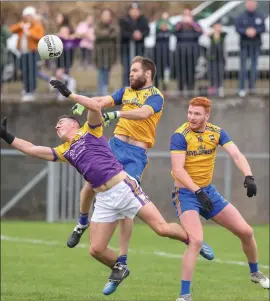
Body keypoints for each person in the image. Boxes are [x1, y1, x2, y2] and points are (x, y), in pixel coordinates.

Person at [1, 86, 201, 297]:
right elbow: (32, 149)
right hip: (104, 199)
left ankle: (193, 241)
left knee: (162, 229)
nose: (57, 126)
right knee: (95, 249)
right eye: (56, 125)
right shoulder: (63, 151)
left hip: (124, 188)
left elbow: (95, 105)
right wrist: (7, 136)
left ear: (74, 124)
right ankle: (119, 267)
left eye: (61, 122)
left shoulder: (91, 129)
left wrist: (70, 95)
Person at [59, 56, 214, 294]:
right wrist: (83, 102)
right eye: (130, 71)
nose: (130, 74)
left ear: (148, 74)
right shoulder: (126, 92)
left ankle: (122, 261)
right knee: (90, 186)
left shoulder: (155, 96)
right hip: (115, 146)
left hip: (135, 154)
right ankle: (81, 224)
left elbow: (143, 114)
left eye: (134, 71)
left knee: (126, 207)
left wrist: (115, 115)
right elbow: (102, 100)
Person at [170, 96, 269, 301]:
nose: (192, 117)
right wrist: (197, 191)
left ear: (207, 115)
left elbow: (236, 154)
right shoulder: (180, 135)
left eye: (197, 113)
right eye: (190, 112)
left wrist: (248, 176)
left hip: (208, 192)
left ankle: (255, 273)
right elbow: (178, 170)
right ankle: (184, 296)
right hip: (187, 194)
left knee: (247, 232)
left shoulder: (216, 132)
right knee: (196, 241)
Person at [9, 6, 45, 102]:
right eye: (26, 16)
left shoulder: (37, 25)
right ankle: (26, 89)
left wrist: (29, 33)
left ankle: (31, 90)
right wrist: (20, 26)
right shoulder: (22, 25)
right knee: (24, 72)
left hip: (32, 52)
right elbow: (11, 30)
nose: (27, 17)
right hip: (23, 52)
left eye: (29, 16)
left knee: (32, 72)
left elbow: (40, 37)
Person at [235, 0, 266, 98]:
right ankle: (241, 88)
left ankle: (252, 87)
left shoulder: (260, 15)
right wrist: (245, 31)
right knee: (243, 68)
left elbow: (263, 28)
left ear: (256, 5)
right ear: (246, 4)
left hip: (255, 45)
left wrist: (255, 31)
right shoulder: (241, 16)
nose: (251, 5)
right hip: (244, 45)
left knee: (254, 67)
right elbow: (237, 28)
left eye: (253, 3)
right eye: (249, 3)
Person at [119, 2, 150, 86]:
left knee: (139, 70)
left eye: (136, 10)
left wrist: (141, 34)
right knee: (127, 70)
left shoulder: (143, 20)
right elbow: (123, 33)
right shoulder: (124, 20)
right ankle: (126, 89)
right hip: (127, 50)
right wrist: (132, 35)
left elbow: (147, 31)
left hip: (139, 50)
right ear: (129, 11)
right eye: (133, 10)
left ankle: (138, 88)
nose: (135, 12)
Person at [173, 7, 202, 94]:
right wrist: (182, 23)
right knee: (181, 70)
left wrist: (192, 23)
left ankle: (190, 89)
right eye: (185, 14)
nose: (186, 17)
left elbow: (200, 32)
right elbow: (174, 31)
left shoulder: (196, 24)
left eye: (188, 14)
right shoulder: (179, 24)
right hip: (181, 50)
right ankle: (180, 89)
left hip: (192, 50)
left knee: (191, 70)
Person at [93, 8, 119, 95]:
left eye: (108, 15)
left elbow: (116, 34)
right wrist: (108, 33)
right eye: (104, 15)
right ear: (101, 16)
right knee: (101, 72)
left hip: (110, 54)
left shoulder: (113, 26)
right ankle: (100, 92)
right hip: (99, 54)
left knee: (107, 72)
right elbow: (98, 34)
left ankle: (105, 90)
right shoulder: (97, 25)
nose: (106, 17)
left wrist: (106, 33)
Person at [207, 22, 227, 97]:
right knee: (213, 73)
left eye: (219, 26)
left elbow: (224, 34)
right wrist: (213, 34)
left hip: (221, 58)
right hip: (212, 58)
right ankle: (213, 89)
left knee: (220, 73)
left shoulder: (223, 35)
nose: (218, 28)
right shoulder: (211, 36)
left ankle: (220, 89)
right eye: (216, 26)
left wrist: (218, 33)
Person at [154, 12, 173, 90]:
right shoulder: (158, 23)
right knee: (158, 66)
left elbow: (173, 28)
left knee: (166, 66)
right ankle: (157, 83)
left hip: (167, 49)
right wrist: (161, 26)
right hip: (158, 49)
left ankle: (165, 83)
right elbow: (157, 27)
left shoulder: (170, 24)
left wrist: (167, 26)